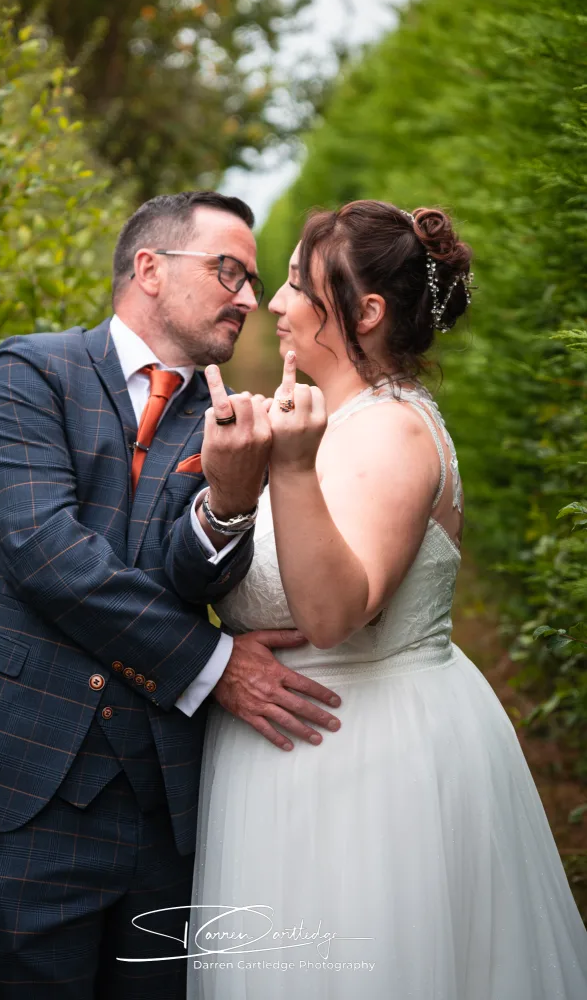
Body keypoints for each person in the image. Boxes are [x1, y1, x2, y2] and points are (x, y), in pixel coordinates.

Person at [0, 190, 342, 1000]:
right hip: (22, 778)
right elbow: (49, 558)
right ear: (149, 268)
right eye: (228, 271)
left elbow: (194, 577)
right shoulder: (31, 373)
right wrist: (217, 664)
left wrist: (229, 502)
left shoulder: (224, 419)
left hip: (163, 797)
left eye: (250, 281)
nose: (248, 298)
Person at [185, 201, 587, 998]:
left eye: (298, 285)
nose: (275, 304)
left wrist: (290, 472)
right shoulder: (343, 422)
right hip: (299, 747)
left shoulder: (390, 433)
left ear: (365, 312)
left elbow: (333, 616)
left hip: (361, 760)